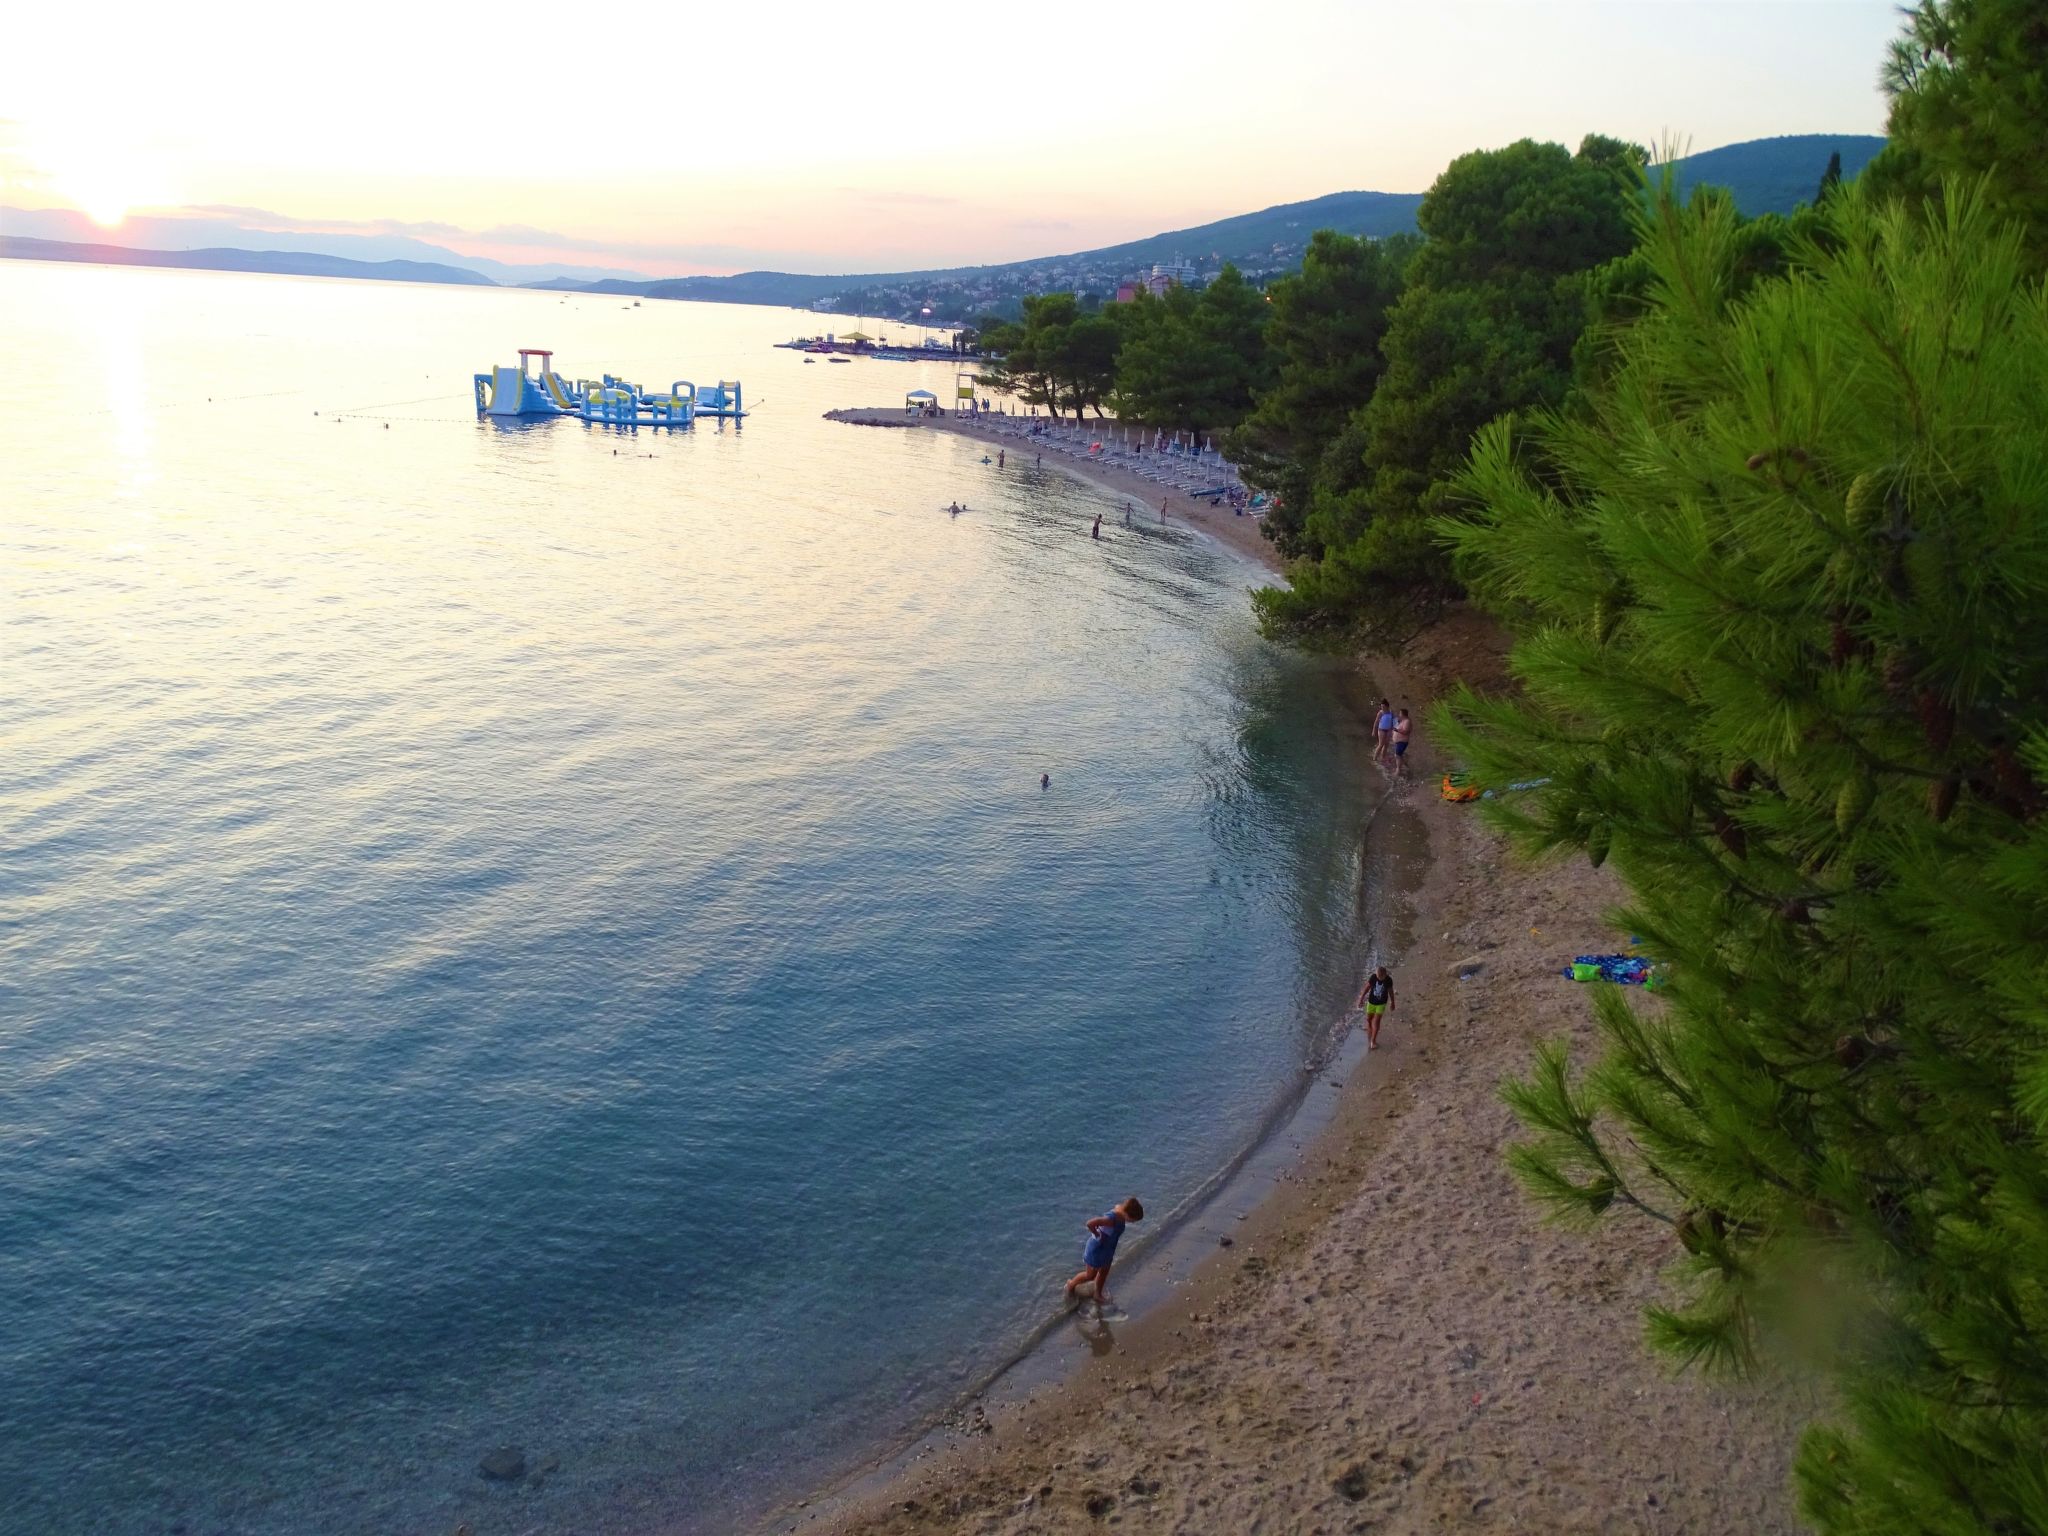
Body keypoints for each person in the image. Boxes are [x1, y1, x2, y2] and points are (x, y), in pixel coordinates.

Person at [1065, 1196, 1145, 1310]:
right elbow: (1090, 1223)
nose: (1132, 1222)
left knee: (1104, 1272)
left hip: (1108, 1249)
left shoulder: (1121, 1210)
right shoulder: (1110, 1219)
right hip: (1097, 1249)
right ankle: (1071, 1285)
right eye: (1132, 1220)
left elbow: (1123, 1205)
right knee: (1090, 1275)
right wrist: (1097, 1234)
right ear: (1127, 1214)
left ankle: (1097, 1294)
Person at [1357, 965, 1394, 1050]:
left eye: (1381, 977)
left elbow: (1391, 992)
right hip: (1371, 1002)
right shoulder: (1373, 977)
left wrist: (1392, 1002)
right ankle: (1370, 1031)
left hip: (1381, 1004)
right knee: (1369, 1019)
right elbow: (1367, 988)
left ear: (1385, 974)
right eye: (1378, 976)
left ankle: (1373, 1041)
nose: (1379, 978)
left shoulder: (1388, 980)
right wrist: (1361, 998)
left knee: (1376, 1021)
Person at [1373, 699, 1395, 766]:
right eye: (1381, 706)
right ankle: (1374, 758)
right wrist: (1374, 731)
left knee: (1386, 744)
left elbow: (1393, 721)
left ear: (1387, 706)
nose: (1382, 708)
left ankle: (1383, 757)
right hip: (1381, 730)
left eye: (1383, 706)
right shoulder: (1380, 713)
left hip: (1388, 730)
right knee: (1381, 744)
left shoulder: (1391, 712)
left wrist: (1394, 730)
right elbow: (1376, 722)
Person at [1392, 708, 1413, 778]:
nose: (1399, 714)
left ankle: (1398, 770)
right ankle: (1404, 764)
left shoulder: (1407, 721)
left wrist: (1397, 730)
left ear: (1403, 714)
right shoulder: (1402, 721)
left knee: (1397, 755)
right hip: (1398, 741)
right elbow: (1398, 727)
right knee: (1399, 755)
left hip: (1402, 741)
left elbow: (1405, 731)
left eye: (1400, 713)